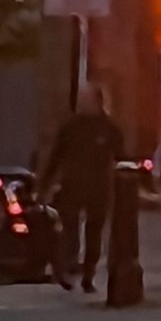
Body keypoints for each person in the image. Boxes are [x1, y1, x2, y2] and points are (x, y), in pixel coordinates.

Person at [41, 82, 124, 293]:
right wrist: (45, 184)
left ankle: (88, 273)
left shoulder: (109, 128)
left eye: (86, 99)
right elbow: (56, 156)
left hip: (99, 187)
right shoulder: (71, 127)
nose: (82, 103)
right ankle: (67, 268)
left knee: (94, 231)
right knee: (69, 228)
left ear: (97, 102)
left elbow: (121, 157)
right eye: (81, 99)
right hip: (73, 185)